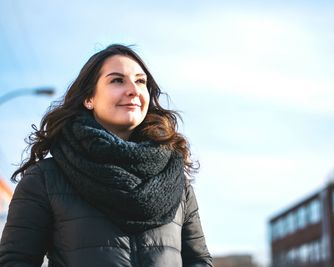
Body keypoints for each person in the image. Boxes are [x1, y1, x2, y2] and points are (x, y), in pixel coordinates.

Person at [0, 44, 213, 267]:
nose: (133, 90)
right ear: (89, 98)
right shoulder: (45, 178)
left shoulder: (176, 180)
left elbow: (199, 261)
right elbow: (16, 261)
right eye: (117, 80)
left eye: (140, 81)